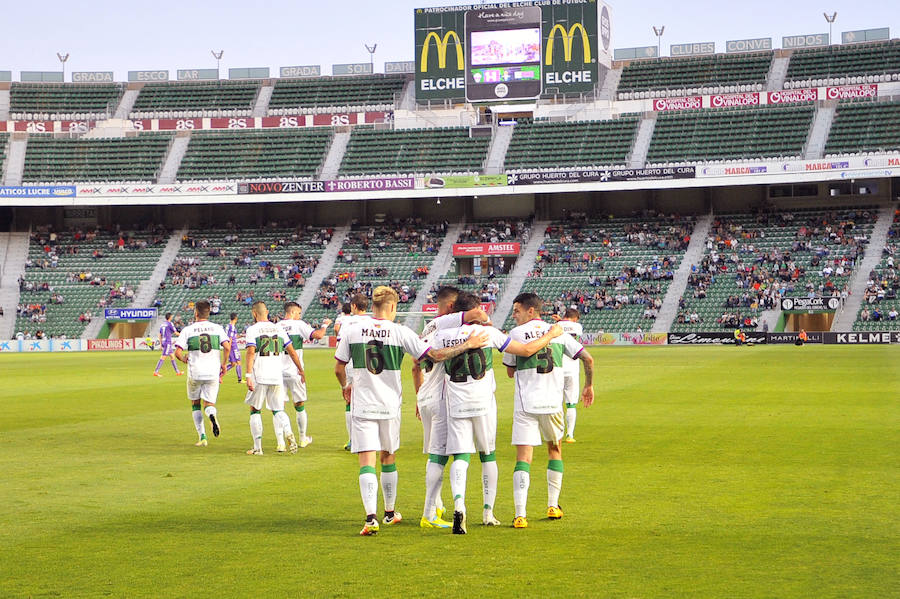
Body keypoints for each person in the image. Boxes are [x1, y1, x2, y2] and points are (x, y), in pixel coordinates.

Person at [334, 285, 490, 536]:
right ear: (393, 307)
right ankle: (389, 512)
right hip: (389, 404)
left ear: (373, 306)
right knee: (388, 456)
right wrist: (467, 344)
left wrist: (346, 386)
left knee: (366, 461)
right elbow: (435, 356)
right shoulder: (400, 332)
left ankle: (370, 518)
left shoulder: (351, 330)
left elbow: (339, 368)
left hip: (362, 402)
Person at [434, 292, 562, 534]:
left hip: (456, 401)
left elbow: (431, 357)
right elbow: (524, 351)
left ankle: (459, 505)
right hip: (483, 402)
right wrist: (551, 334)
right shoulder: (489, 334)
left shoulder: (443, 335)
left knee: (460, 457)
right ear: (476, 312)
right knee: (487, 456)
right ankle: (487, 512)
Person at [503, 292, 594, 529]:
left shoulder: (516, 335)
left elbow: (510, 371)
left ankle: (520, 514)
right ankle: (553, 505)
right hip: (552, 404)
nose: (514, 315)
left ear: (530, 311)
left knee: (523, 457)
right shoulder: (558, 332)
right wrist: (589, 385)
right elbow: (588, 359)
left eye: (517, 310)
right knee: (555, 449)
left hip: (525, 404)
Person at [412, 286, 491, 530]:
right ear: (450, 307)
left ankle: (435, 505)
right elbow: (479, 316)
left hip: (426, 395)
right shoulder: (448, 323)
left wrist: (418, 396)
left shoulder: (428, 328)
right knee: (440, 455)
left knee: (433, 454)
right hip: (442, 396)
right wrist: (470, 341)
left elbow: (416, 365)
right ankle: (429, 513)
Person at [244, 301, 305, 455]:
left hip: (260, 375)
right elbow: (291, 351)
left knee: (255, 410)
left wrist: (248, 375)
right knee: (278, 409)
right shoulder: (279, 328)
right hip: (276, 375)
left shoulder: (252, 330)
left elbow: (251, 352)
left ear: (254, 313)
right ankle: (289, 432)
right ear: (267, 312)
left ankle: (258, 448)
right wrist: (300, 369)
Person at [173, 301, 231, 447]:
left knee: (195, 404)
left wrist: (184, 359)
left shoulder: (188, 330)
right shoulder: (217, 328)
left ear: (196, 313)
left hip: (195, 372)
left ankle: (202, 436)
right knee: (209, 404)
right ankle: (211, 414)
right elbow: (227, 347)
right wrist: (224, 364)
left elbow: (177, 352)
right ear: (209, 312)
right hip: (212, 372)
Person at [279, 302, 331, 448]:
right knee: (299, 404)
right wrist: (325, 325)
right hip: (295, 371)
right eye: (299, 313)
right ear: (293, 312)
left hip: (278, 372)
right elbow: (319, 335)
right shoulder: (299, 324)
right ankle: (302, 438)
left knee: (279, 407)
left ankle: (281, 442)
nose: (300, 316)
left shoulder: (276, 326)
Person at [336, 295, 369, 450]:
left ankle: (352, 440)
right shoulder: (372, 321)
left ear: (354, 306)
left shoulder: (346, 322)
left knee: (350, 401)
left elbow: (340, 349)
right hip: (370, 365)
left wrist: (343, 386)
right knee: (369, 399)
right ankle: (370, 439)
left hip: (351, 364)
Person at [553, 309, 584, 443]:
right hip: (572, 368)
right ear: (575, 318)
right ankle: (570, 435)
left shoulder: (555, 327)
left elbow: (562, 330)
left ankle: (556, 434)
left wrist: (560, 321)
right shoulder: (577, 327)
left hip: (557, 367)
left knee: (556, 403)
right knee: (571, 404)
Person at [223, 312, 243, 382]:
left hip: (231, 346)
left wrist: (242, 336)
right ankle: (240, 379)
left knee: (233, 364)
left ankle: (220, 373)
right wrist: (228, 348)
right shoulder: (232, 326)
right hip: (233, 346)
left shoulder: (228, 326)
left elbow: (233, 336)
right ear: (236, 318)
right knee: (238, 362)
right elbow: (230, 338)